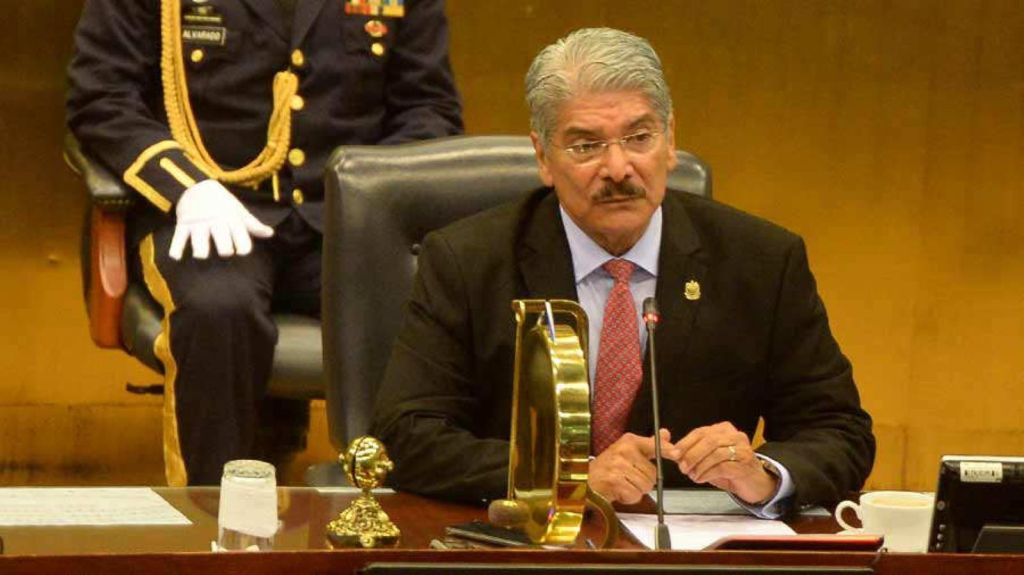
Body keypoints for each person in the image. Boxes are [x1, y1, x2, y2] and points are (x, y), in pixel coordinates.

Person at [370, 27, 874, 516]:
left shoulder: (760, 261)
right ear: (543, 157)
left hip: (694, 548)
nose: (617, 168)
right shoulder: (468, 260)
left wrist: (763, 475)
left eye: (638, 137)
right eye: (585, 145)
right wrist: (568, 477)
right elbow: (406, 434)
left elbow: (839, 430)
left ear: (670, 140)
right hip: (526, 539)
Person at [66, 0, 463, 486]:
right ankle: (211, 510)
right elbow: (102, 98)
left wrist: (372, 191)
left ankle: (392, 506)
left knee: (427, 311)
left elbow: (428, 107)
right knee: (217, 308)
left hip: (341, 218)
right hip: (211, 210)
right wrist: (185, 186)